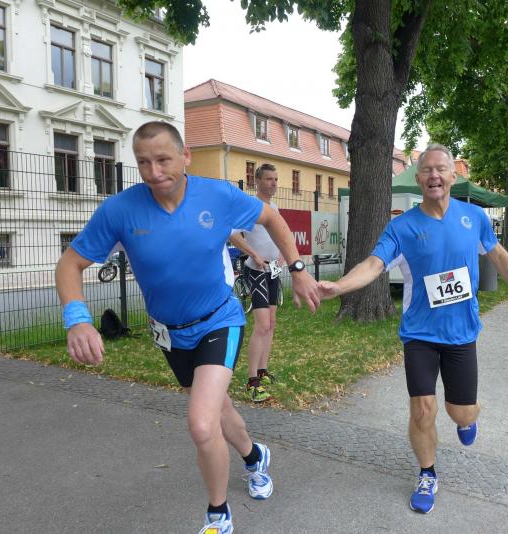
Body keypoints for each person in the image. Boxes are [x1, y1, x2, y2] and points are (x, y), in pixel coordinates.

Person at [55, 121, 319, 534]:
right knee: (218, 410)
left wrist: (298, 269)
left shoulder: (216, 195)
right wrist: (77, 319)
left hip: (219, 320)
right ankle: (255, 458)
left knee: (200, 422)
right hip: (170, 334)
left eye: (163, 160)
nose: (154, 172)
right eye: (144, 163)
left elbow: (271, 217)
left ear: (186, 157)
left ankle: (218, 515)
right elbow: (70, 263)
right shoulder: (120, 210)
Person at [318, 143, 508, 514]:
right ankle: (427, 473)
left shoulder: (474, 218)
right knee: (422, 409)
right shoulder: (402, 227)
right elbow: (374, 264)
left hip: (461, 333)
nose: (434, 175)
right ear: (418, 178)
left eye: (441, 169)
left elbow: (497, 254)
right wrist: (338, 287)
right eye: (427, 170)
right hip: (419, 334)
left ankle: (467, 418)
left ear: (453, 176)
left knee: (461, 413)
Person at [229, 163, 284, 402]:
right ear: (257, 181)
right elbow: (232, 233)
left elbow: (280, 236)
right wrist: (253, 254)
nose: (274, 183)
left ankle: (262, 370)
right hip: (257, 271)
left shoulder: (274, 207)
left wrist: (282, 256)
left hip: (273, 271)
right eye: (269, 179)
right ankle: (252, 381)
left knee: (271, 323)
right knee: (261, 325)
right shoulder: (251, 207)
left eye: (276, 179)